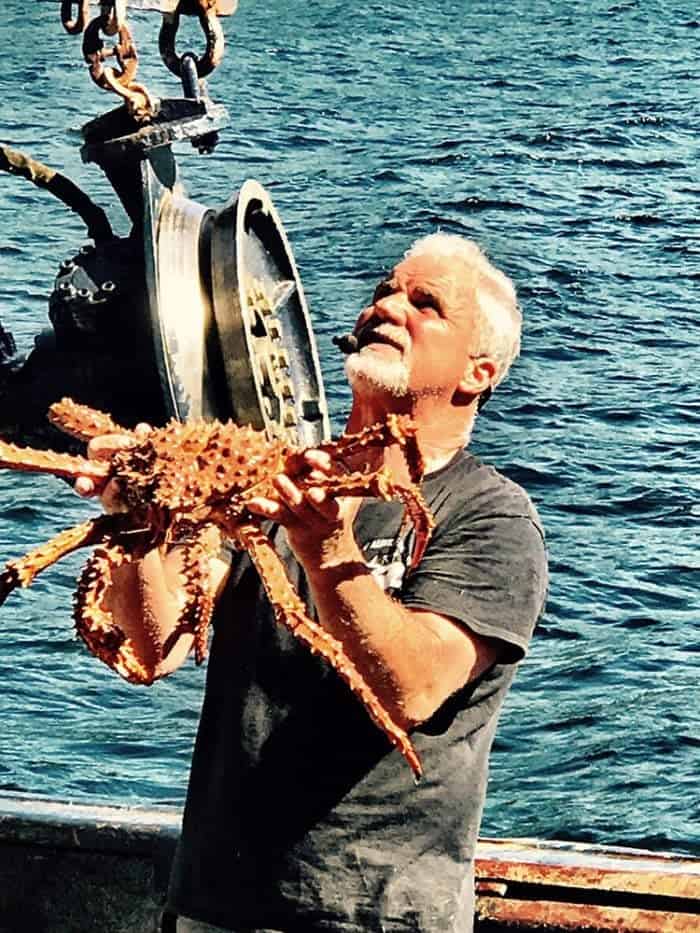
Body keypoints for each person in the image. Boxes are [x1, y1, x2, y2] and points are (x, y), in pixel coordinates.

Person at [77, 232, 548, 932]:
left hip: (373, 915)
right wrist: (140, 516)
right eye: (385, 290)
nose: (387, 304)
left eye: (426, 303)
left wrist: (327, 548)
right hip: (213, 907)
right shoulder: (267, 478)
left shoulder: (491, 516)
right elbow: (153, 649)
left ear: (478, 372)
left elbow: (413, 687)